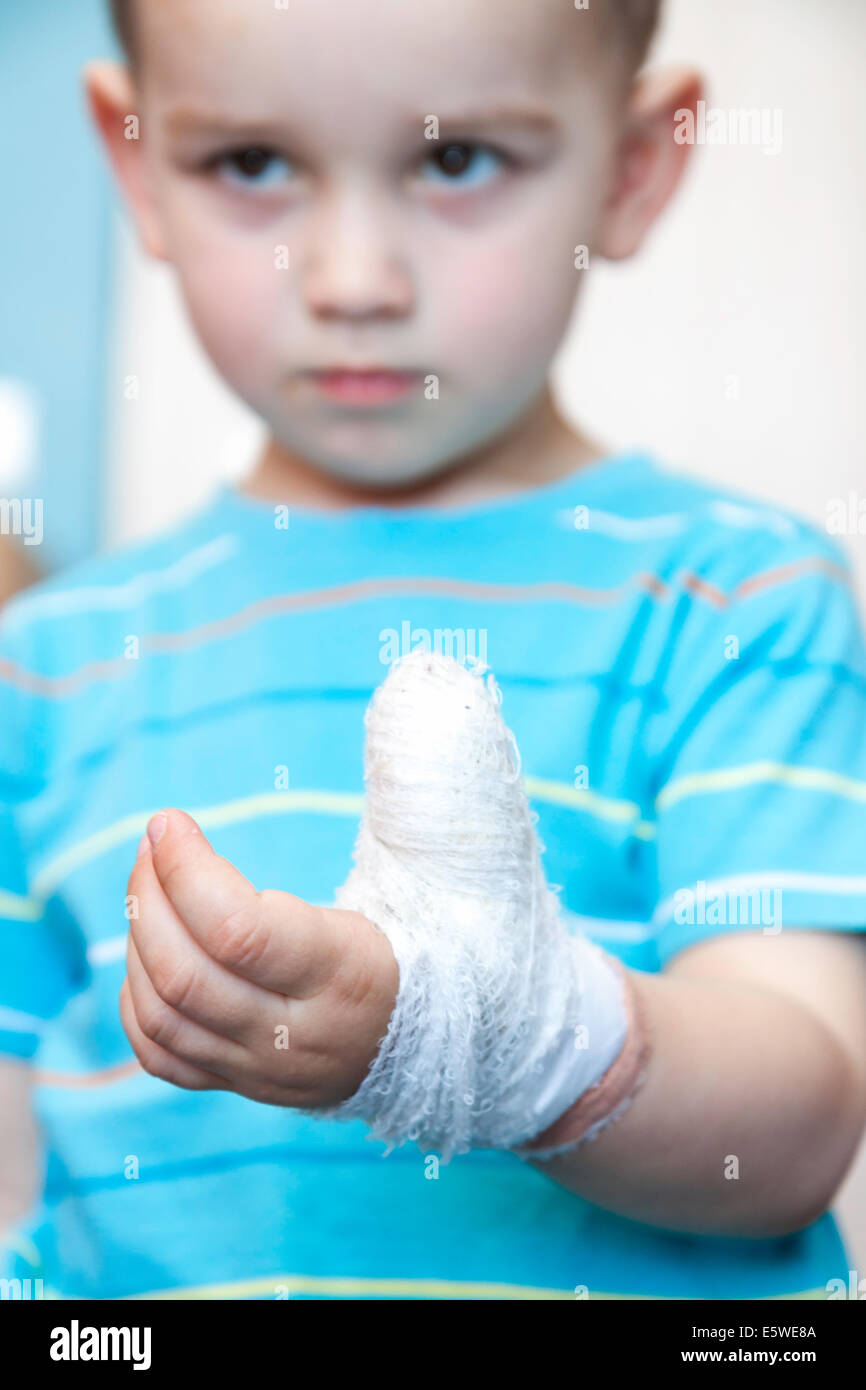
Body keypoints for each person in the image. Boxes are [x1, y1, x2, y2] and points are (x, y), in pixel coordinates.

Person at [1, 0, 865, 1301]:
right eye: (251, 164)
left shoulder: (739, 598)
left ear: (631, 168)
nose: (354, 279)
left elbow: (793, 1129)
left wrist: (497, 1036)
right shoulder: (43, 667)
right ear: (136, 165)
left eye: (456, 159)